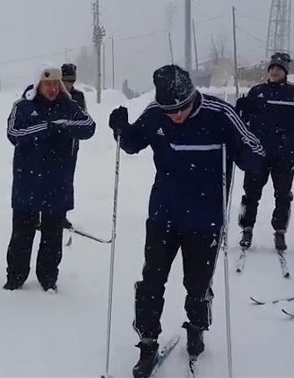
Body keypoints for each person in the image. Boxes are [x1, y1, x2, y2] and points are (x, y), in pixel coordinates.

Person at [108, 64, 265, 378]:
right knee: (151, 281)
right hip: (163, 213)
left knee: (197, 285)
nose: (175, 116)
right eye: (169, 111)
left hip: (206, 218)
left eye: (180, 109)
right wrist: (121, 129)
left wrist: (247, 158)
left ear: (192, 95)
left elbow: (256, 150)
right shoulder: (155, 114)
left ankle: (196, 326)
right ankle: (148, 341)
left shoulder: (220, 114)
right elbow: (132, 143)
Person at [4, 62, 96, 293]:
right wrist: (44, 129)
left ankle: (48, 278)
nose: (53, 88)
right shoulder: (24, 106)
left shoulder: (69, 106)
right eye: (48, 84)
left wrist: (64, 125)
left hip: (58, 181)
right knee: (22, 234)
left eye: (56, 83)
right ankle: (15, 277)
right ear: (39, 84)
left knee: (53, 236)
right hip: (28, 181)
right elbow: (13, 133)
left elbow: (89, 126)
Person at [235, 52, 294, 251]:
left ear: (285, 72)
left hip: (285, 153)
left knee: (283, 195)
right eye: (272, 68)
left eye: (279, 69)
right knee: (251, 193)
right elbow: (243, 120)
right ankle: (247, 228)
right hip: (258, 152)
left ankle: (279, 232)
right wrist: (241, 107)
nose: (274, 71)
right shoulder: (257, 91)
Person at [60, 63, 87, 229]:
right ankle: (43, 214)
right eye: (65, 81)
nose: (68, 85)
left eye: (71, 82)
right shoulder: (55, 93)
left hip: (71, 144)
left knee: (66, 179)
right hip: (53, 144)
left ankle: (62, 213)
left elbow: (84, 118)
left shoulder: (78, 96)